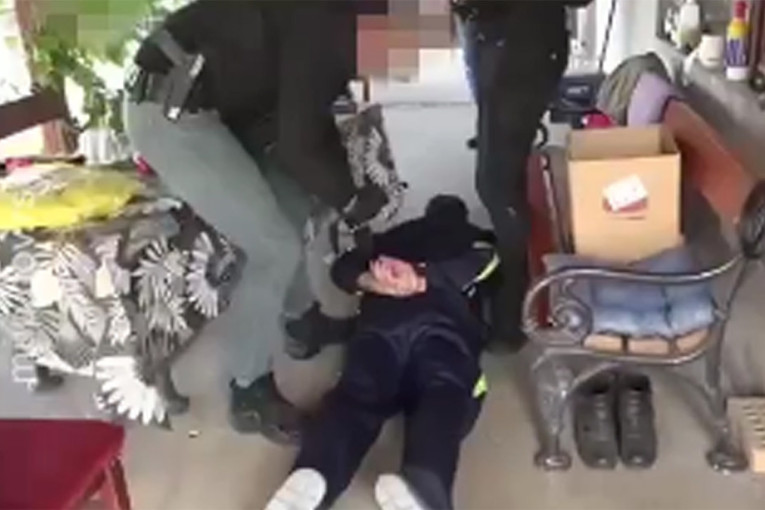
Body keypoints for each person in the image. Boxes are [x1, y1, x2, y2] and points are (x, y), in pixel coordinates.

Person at [124, 0, 392, 443]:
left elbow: (305, 121)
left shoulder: (342, 21)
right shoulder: (331, 24)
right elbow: (300, 144)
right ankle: (249, 391)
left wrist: (345, 187)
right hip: (172, 113)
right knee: (273, 249)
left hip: (225, 105)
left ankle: (301, 322)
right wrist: (354, 200)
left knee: (294, 201)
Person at [265, 195, 498, 510]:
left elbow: (342, 268)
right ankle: (422, 488)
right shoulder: (476, 238)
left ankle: (316, 471)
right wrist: (422, 278)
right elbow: (486, 262)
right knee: (444, 394)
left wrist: (370, 281)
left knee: (355, 397)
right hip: (443, 331)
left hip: (382, 328)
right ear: (462, 215)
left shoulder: (390, 239)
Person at [451, 0, 592, 349]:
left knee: (495, 185)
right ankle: (510, 271)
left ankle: (514, 310)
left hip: (523, 49)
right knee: (501, 175)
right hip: (494, 39)